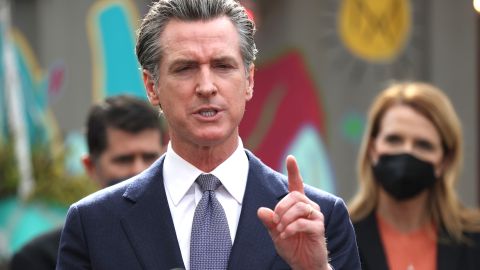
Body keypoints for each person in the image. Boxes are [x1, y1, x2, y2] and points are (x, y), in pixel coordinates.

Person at [56, 0, 360, 269]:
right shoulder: (94, 224)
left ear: (249, 80)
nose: (206, 86)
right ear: (152, 86)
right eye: (185, 68)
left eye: (222, 66)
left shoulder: (319, 220)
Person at [9, 95, 164, 270]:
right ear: (91, 167)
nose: (139, 171)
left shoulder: (189, 236)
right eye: (124, 160)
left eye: (150, 158)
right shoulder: (40, 260)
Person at [349, 82, 480, 270]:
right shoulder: (339, 236)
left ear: (444, 161)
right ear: (372, 149)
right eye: (394, 139)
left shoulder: (473, 241)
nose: (407, 152)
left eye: (423, 145)